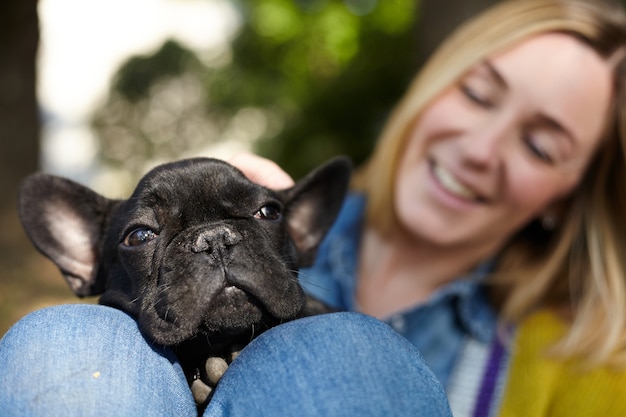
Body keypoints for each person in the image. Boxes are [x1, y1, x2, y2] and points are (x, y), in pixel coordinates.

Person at [2, 0, 626, 415]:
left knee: (339, 353)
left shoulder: (590, 367)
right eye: (478, 93)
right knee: (68, 342)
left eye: (541, 145)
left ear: (570, 194)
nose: (482, 149)